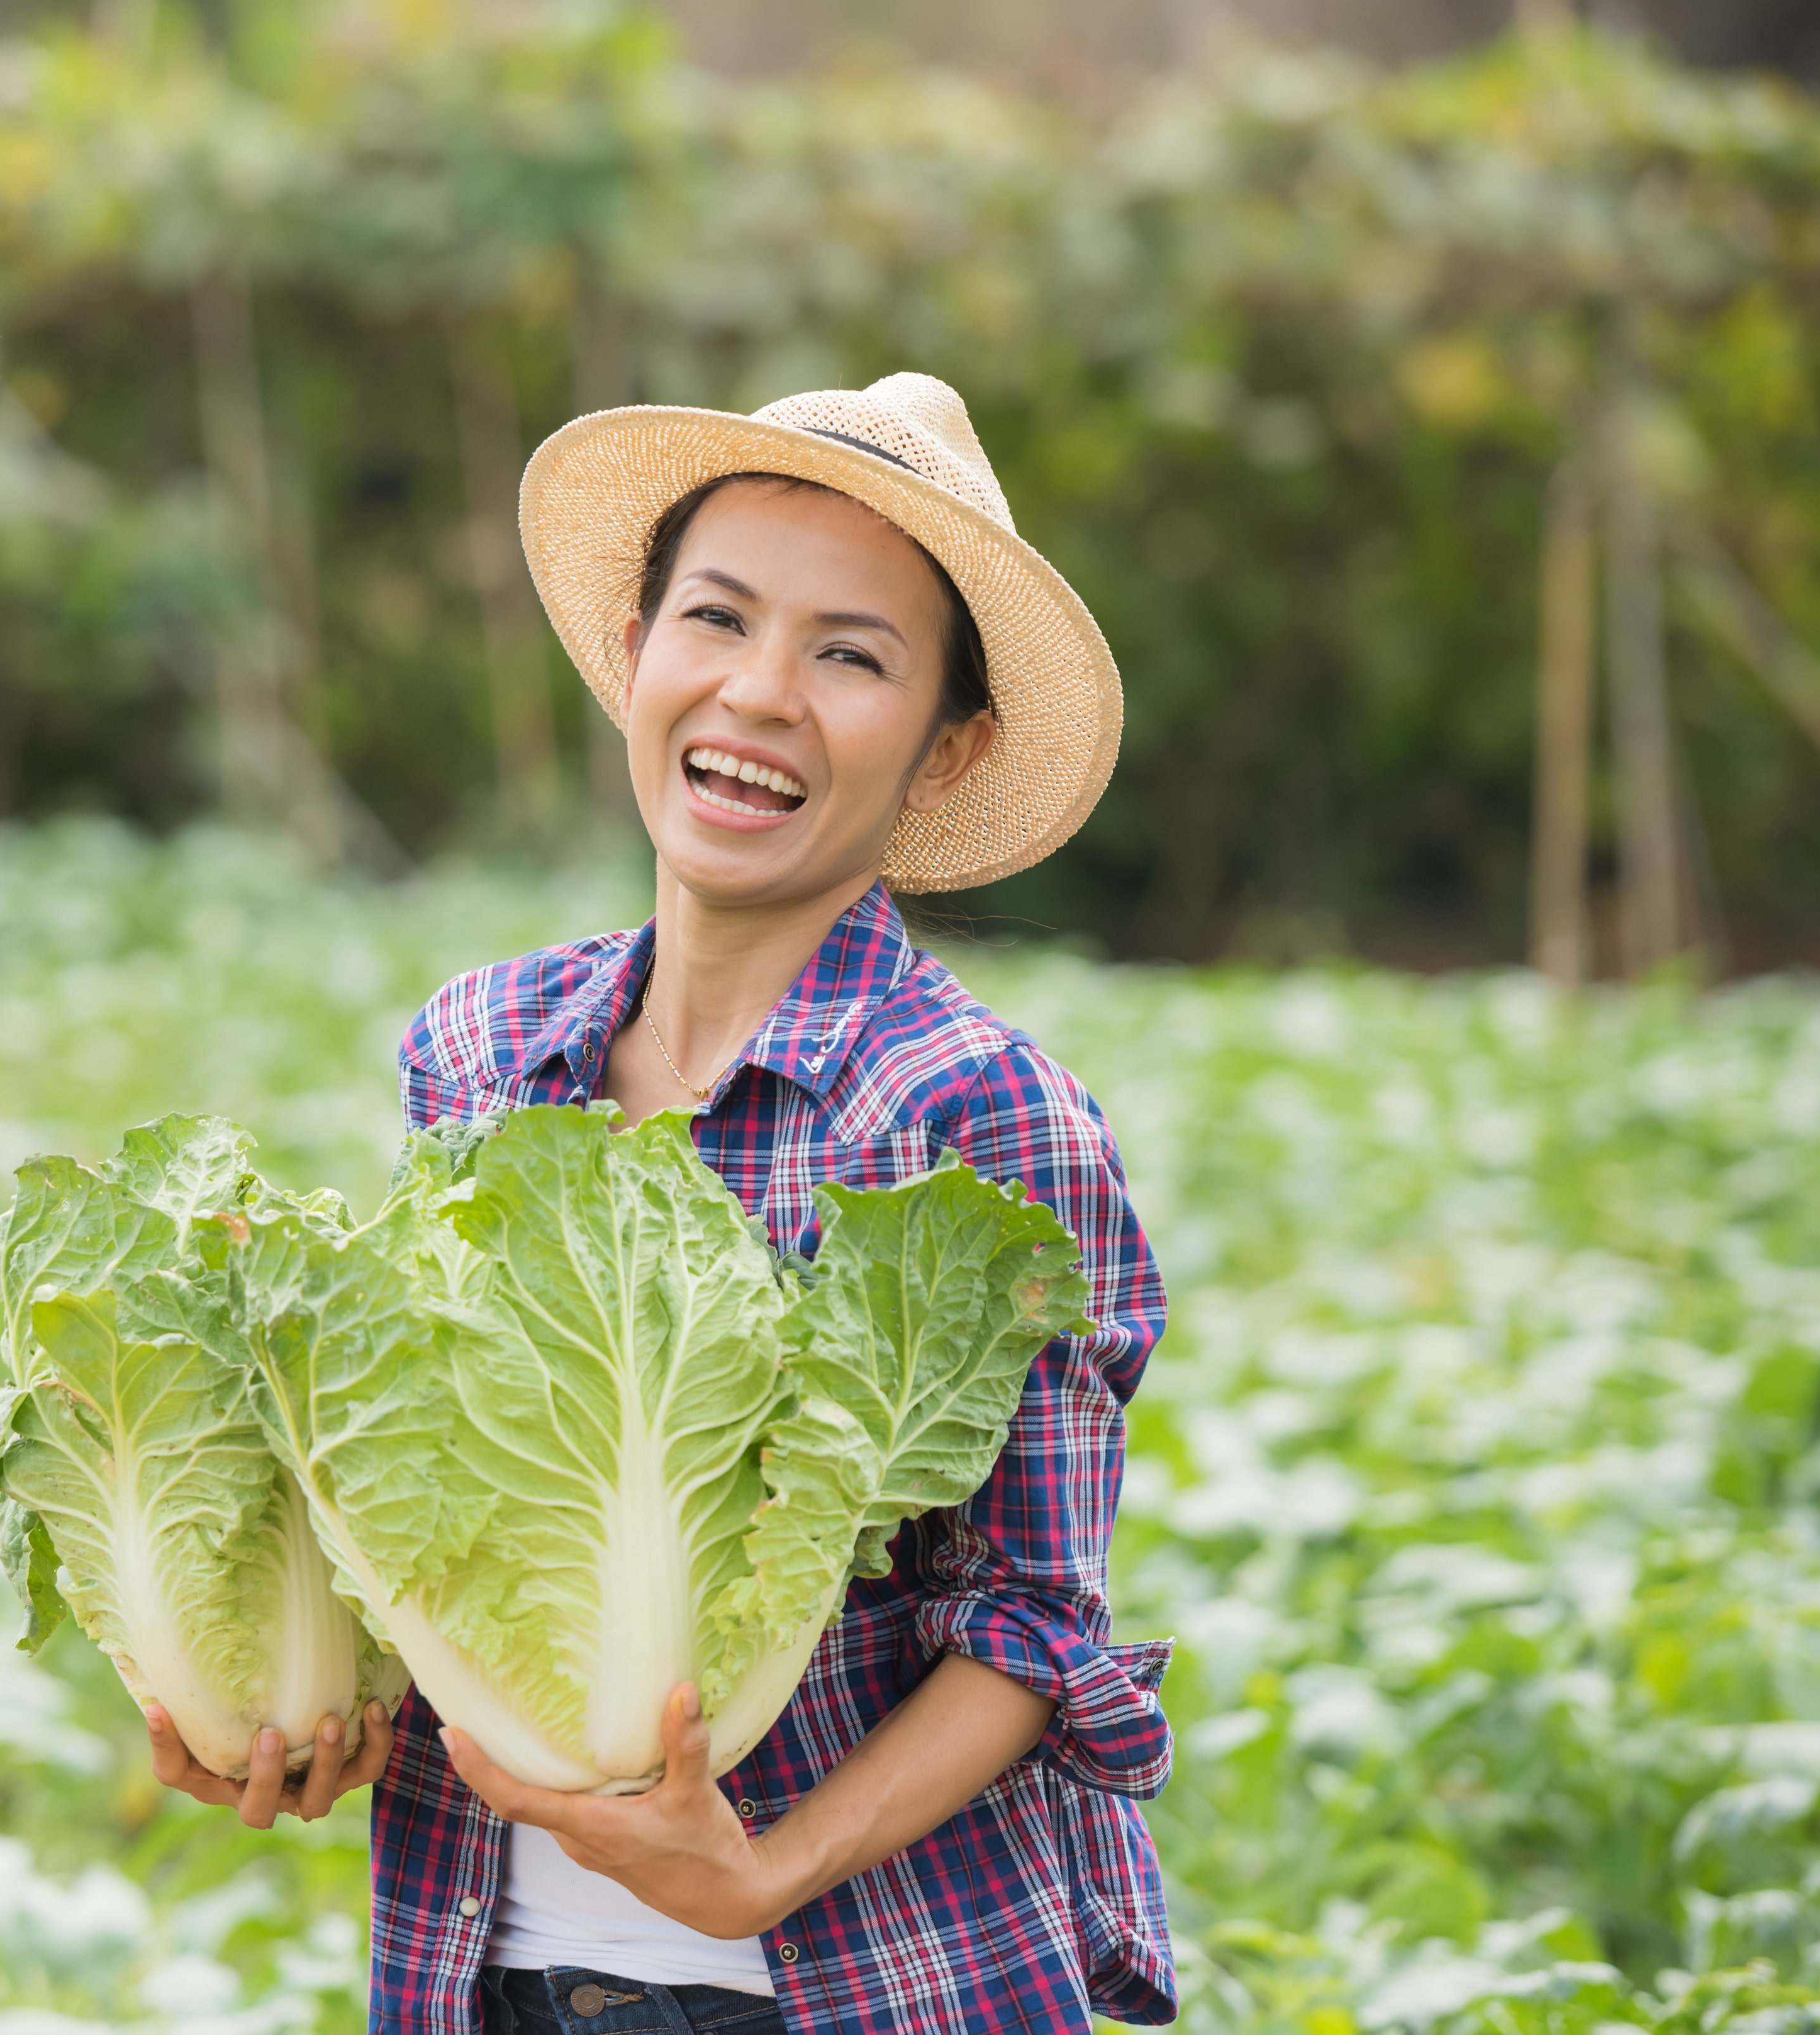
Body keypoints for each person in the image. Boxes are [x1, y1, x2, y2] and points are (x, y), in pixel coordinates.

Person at [143, 372, 1175, 2035]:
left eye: (853, 654)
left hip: (849, 1991)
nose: (762, 693)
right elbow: (469, 1514)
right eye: (720, 617)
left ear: (947, 748)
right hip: (485, 1974)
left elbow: (1032, 1620)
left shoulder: (975, 1108)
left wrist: (763, 1869)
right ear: (635, 648)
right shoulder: (476, 1051)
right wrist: (311, 1709)